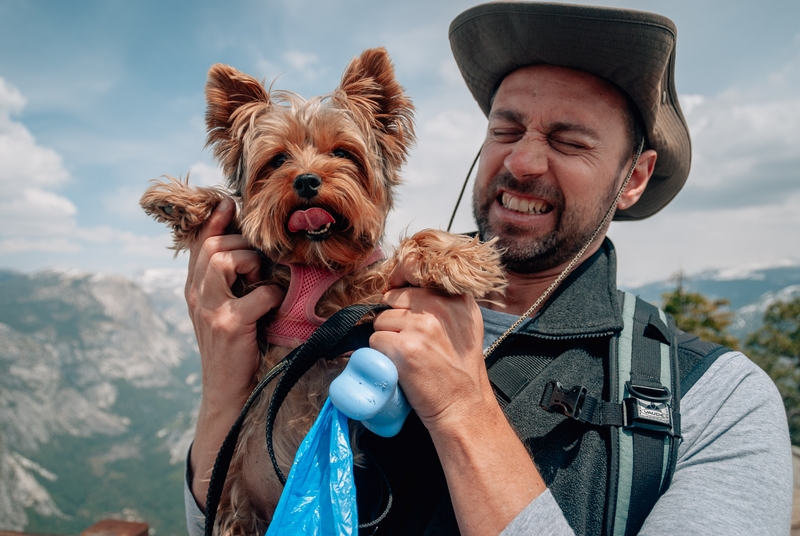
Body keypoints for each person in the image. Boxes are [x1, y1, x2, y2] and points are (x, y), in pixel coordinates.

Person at [184, 2, 793, 535]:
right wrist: (222, 392)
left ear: (632, 178)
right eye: (506, 129)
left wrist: (462, 410)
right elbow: (237, 519)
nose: (525, 161)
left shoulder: (718, 402)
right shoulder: (367, 294)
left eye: (569, 140)